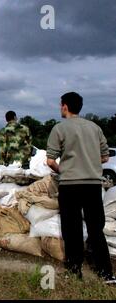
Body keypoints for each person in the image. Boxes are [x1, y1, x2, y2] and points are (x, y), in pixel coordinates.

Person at [46, 92, 115, 283]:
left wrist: (64, 169)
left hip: (70, 185)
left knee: (72, 229)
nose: (61, 108)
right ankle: (106, 273)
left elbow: (50, 161)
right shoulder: (95, 128)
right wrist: (89, 163)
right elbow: (105, 157)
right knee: (96, 228)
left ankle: (74, 270)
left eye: (61, 105)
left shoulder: (59, 129)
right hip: (93, 185)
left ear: (65, 106)